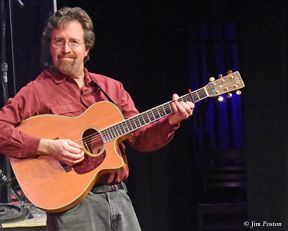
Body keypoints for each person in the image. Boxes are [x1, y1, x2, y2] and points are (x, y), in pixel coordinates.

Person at [0, 7, 194, 231]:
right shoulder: (37, 91)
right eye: (58, 42)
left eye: (73, 42)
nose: (66, 49)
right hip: (74, 208)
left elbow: (140, 138)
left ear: (86, 48)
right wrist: (48, 146)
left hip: (119, 197)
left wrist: (171, 120)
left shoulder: (111, 88)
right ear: (50, 47)